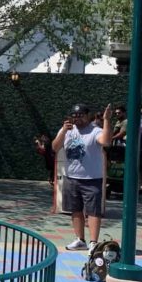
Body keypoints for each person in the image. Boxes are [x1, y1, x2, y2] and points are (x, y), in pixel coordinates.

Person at [52, 102, 112, 251]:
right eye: (74, 116)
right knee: (75, 210)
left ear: (88, 116)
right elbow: (55, 147)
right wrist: (63, 132)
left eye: (81, 116)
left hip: (91, 178)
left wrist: (107, 120)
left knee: (93, 211)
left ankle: (93, 242)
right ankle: (80, 239)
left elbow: (106, 141)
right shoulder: (68, 130)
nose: (77, 118)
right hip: (71, 177)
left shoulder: (95, 131)